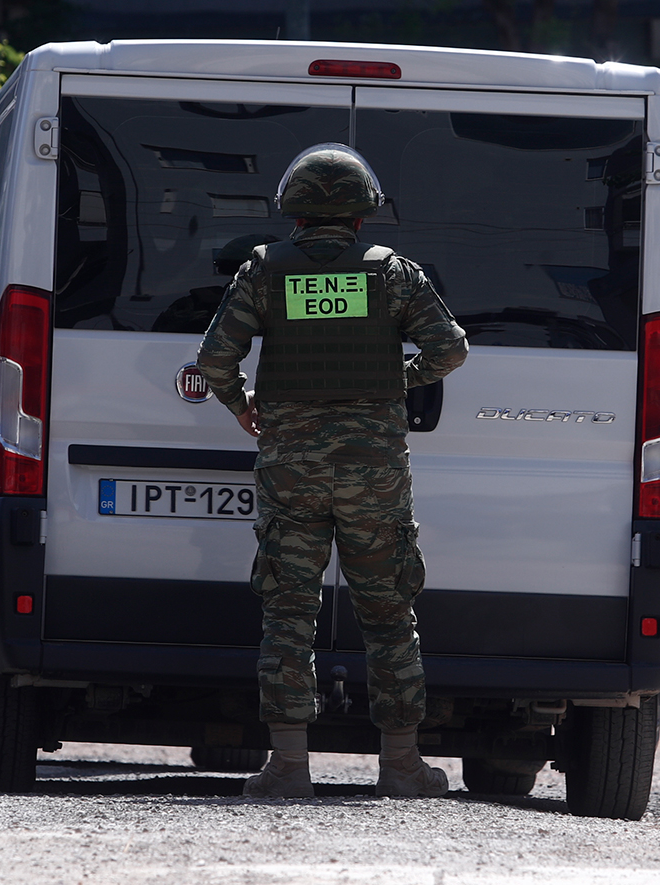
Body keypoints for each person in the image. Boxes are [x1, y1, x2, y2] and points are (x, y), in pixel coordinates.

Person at [197, 144, 469, 799]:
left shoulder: (263, 271)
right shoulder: (393, 273)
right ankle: (401, 766)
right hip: (374, 473)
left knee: (289, 615)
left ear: (293, 210)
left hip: (291, 470)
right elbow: (451, 349)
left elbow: (215, 360)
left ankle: (289, 767)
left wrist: (243, 406)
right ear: (362, 214)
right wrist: (398, 378)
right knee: (388, 612)